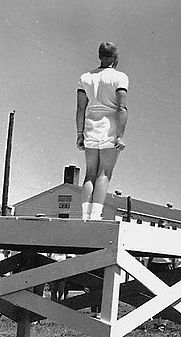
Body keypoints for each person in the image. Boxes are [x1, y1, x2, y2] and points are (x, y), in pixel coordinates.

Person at [76, 42, 128, 220]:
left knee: (90, 172)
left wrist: (79, 134)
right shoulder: (120, 77)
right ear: (115, 58)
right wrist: (120, 135)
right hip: (110, 128)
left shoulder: (85, 77)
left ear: (99, 56)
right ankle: (96, 215)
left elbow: (80, 108)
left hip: (91, 126)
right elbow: (121, 108)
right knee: (104, 173)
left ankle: (85, 214)